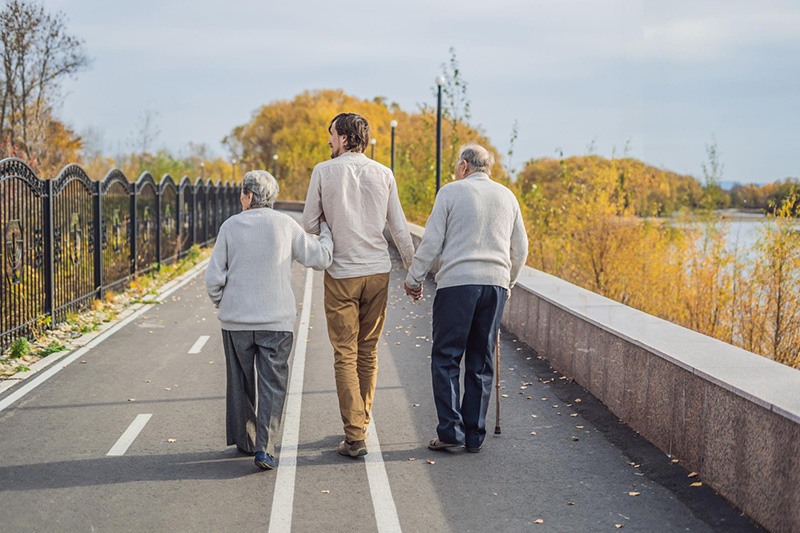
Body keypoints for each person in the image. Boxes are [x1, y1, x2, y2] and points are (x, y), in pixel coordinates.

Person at [303, 112, 415, 457]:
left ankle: (354, 434)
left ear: (346, 138)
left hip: (342, 274)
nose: (329, 141)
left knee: (345, 354)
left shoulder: (323, 171)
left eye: (332, 135)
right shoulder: (384, 174)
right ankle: (360, 423)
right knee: (368, 351)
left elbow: (308, 222)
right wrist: (413, 274)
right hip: (378, 272)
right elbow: (399, 227)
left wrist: (328, 229)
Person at [404, 143, 528, 453]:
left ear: (463, 166)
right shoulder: (507, 196)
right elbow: (521, 248)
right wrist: (508, 282)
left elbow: (432, 241)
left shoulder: (451, 192)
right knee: (481, 362)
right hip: (495, 285)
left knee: (446, 358)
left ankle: (450, 432)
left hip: (457, 285)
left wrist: (413, 279)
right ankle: (474, 436)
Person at [205, 170, 333, 470]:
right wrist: (326, 231)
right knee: (272, 384)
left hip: (236, 323)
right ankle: (265, 448)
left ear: (250, 196)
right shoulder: (285, 225)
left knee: (240, 383)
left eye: (242, 193)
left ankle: (246, 441)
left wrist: (222, 303)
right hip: (276, 322)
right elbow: (320, 258)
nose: (240, 197)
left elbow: (213, 279)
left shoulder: (230, 226)